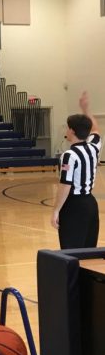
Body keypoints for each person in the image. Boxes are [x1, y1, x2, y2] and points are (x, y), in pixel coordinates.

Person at [51, 91, 101, 249]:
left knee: (71, 251)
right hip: (91, 204)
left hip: (74, 206)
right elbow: (96, 130)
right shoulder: (94, 147)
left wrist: (56, 210)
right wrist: (86, 109)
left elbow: (65, 186)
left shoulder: (69, 155)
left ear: (71, 131)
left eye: (67, 128)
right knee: (88, 251)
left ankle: (74, 275)